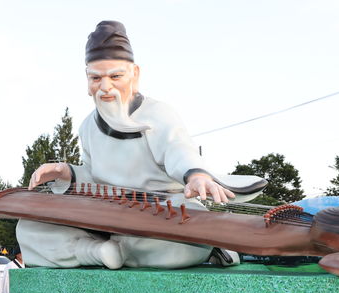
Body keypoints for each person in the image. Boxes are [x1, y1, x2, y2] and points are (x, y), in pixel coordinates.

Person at [18, 21, 263, 269]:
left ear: (134, 75)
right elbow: (94, 178)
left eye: (115, 76)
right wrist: (66, 173)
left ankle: (123, 251)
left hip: (163, 212)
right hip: (107, 216)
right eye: (96, 78)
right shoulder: (87, 127)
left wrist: (196, 175)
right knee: (28, 228)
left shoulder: (158, 113)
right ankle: (98, 251)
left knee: (185, 238)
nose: (105, 88)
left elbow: (178, 150)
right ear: (87, 80)